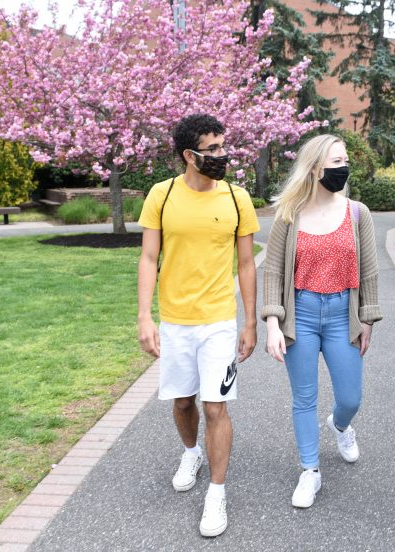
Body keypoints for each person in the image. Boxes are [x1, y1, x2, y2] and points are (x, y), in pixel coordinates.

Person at [137, 113, 260, 537]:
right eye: (213, 149)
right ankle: (190, 452)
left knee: (215, 406)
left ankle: (216, 494)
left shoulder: (236, 197)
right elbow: (149, 259)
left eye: (224, 146)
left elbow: (246, 263)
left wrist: (250, 322)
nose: (222, 155)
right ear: (189, 155)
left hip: (219, 321)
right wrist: (144, 317)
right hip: (174, 321)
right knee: (184, 402)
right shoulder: (162, 195)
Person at [261, 134, 383, 509]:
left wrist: (368, 320)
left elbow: (370, 270)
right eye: (335, 162)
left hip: (341, 315)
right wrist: (271, 323)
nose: (343, 168)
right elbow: (273, 272)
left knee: (350, 397)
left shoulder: (357, 212)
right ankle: (309, 471)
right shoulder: (289, 215)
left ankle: (341, 426)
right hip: (301, 313)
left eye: (345, 160)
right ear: (315, 169)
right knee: (304, 398)